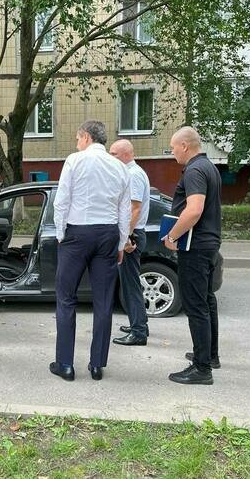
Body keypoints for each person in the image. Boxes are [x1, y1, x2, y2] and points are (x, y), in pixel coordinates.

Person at [51, 120, 131, 382]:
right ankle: (97, 365)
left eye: (77, 137)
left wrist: (61, 234)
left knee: (66, 298)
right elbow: (124, 209)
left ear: (86, 137)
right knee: (104, 300)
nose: (76, 142)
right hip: (107, 233)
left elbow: (62, 199)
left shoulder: (74, 160)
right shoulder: (120, 167)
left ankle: (65, 364)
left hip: (77, 233)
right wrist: (121, 242)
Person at [163, 126, 221, 385]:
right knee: (207, 301)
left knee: (196, 306)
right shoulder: (209, 167)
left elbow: (194, 210)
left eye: (173, 147)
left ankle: (201, 369)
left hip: (195, 247)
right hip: (208, 244)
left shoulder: (195, 170)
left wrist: (172, 236)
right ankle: (209, 355)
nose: (172, 152)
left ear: (185, 146)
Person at [109, 139, 150, 346]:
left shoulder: (133, 175)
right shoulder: (133, 172)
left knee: (130, 286)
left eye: (114, 154)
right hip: (134, 233)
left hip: (132, 236)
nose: (111, 157)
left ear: (126, 154)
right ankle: (139, 322)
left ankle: (138, 332)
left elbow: (135, 209)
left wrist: (125, 238)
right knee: (131, 283)